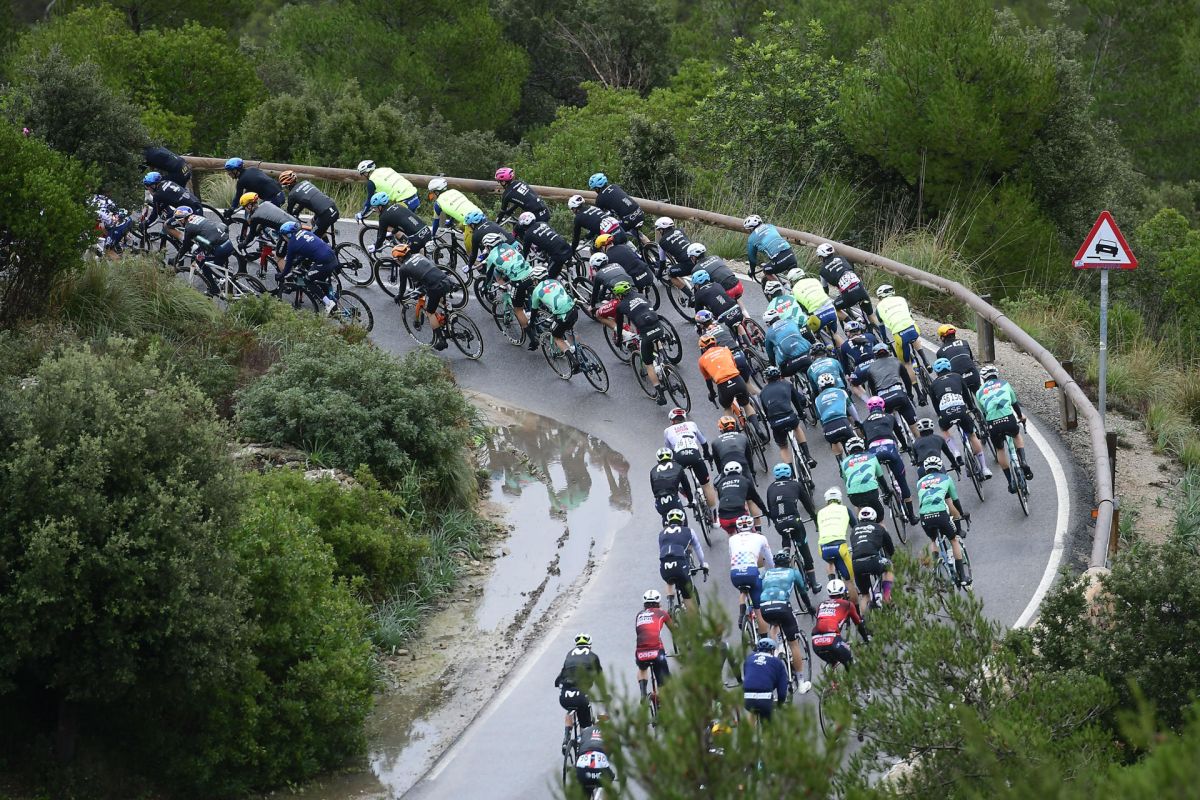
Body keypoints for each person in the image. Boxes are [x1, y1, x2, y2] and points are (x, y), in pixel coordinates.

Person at [859, 396, 919, 525]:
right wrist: (905, 446)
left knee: (877, 475)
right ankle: (912, 516)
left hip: (873, 451)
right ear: (883, 407)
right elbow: (899, 435)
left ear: (869, 409)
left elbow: (865, 443)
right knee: (902, 483)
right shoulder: (889, 417)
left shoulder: (865, 423)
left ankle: (885, 492)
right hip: (889, 449)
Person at [930, 357, 992, 479]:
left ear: (936, 372)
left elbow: (935, 405)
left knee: (944, 430)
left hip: (946, 411)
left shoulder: (933, 384)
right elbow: (967, 395)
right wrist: (972, 408)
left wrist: (941, 415)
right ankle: (985, 468)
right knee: (972, 435)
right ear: (949, 368)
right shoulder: (958, 377)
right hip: (960, 408)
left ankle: (955, 451)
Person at [975, 365, 1033, 493]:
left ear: (983, 379)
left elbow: (984, 412)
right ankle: (1023, 462)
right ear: (996, 375)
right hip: (1008, 419)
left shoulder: (979, 392)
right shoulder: (1005, 384)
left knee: (1000, 449)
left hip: (993, 423)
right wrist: (1020, 417)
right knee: (1017, 436)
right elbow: (1014, 403)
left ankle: (1010, 481)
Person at [759, 553, 814, 689]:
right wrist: (809, 607)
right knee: (794, 644)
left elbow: (762, 588)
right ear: (788, 563)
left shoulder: (767, 573)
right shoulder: (793, 572)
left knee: (774, 624)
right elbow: (802, 592)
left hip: (765, 607)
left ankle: (776, 649)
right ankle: (801, 683)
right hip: (782, 606)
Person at [917, 456, 971, 587]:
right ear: (940, 467)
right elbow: (955, 500)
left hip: (924, 516)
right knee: (953, 540)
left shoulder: (920, 482)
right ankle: (962, 576)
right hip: (940, 514)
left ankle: (936, 569)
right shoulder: (946, 478)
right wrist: (962, 514)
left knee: (933, 540)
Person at [391, 241, 456, 350]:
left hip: (435, 286)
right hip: (445, 280)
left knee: (430, 313)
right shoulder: (418, 255)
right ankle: (451, 313)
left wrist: (399, 296)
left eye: (397, 260)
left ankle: (441, 340)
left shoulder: (403, 268)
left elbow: (402, 288)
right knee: (440, 298)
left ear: (400, 258)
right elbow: (425, 270)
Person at [765, 463, 820, 591]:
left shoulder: (770, 488)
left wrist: (776, 521)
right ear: (790, 474)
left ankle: (786, 552)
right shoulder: (796, 484)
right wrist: (815, 519)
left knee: (785, 536)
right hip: (794, 521)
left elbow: (770, 507)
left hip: (779, 522)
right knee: (804, 548)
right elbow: (808, 504)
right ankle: (815, 584)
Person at [699, 335, 765, 436]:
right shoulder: (725, 350)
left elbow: (708, 380)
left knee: (727, 408)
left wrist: (712, 394)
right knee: (746, 405)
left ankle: (733, 433)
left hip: (723, 385)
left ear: (703, 348)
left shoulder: (702, 360)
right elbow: (734, 366)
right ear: (715, 343)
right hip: (737, 379)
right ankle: (758, 429)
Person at [851, 342, 919, 434]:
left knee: (890, 427)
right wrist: (910, 394)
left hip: (884, 399)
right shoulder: (896, 361)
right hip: (899, 394)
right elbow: (906, 380)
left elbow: (873, 391)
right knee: (914, 425)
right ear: (888, 352)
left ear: (875, 355)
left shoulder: (870, 368)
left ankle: (900, 442)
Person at [759, 365, 818, 469]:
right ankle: (808, 457)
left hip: (775, 422)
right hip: (789, 417)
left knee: (783, 447)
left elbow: (766, 412)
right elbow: (797, 402)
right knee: (797, 428)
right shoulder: (787, 384)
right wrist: (801, 414)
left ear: (766, 379)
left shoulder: (762, 392)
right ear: (780, 375)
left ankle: (790, 470)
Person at [874, 284, 924, 399]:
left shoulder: (879, 307)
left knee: (906, 364)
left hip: (899, 334)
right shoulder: (902, 299)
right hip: (913, 328)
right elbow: (910, 316)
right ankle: (925, 361)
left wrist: (885, 340)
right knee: (915, 337)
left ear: (880, 296)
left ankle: (919, 394)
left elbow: (881, 328)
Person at [811, 579, 869, 676]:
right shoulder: (848, 605)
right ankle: (853, 688)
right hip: (832, 639)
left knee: (832, 660)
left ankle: (832, 683)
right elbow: (858, 624)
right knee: (849, 662)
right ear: (844, 592)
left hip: (815, 642)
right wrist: (866, 640)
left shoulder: (821, 605)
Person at [279, 220, 340, 312]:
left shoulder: (291, 244)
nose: (284, 238)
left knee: (307, 280)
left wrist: (281, 275)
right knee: (320, 278)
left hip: (324, 262)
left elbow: (288, 267)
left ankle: (328, 303)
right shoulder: (305, 232)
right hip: (333, 257)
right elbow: (307, 251)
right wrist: (297, 262)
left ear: (288, 235)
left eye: (283, 236)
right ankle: (331, 300)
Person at [172, 208, 236, 295]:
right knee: (208, 258)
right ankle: (229, 276)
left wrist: (177, 259)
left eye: (178, 221)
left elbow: (185, 246)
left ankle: (214, 288)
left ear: (182, 219)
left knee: (200, 260)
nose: (178, 223)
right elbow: (204, 235)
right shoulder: (197, 217)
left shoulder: (188, 227)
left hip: (220, 248)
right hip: (226, 242)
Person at [664, 407, 718, 511]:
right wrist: (706, 454)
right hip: (695, 455)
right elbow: (703, 442)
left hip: (680, 457)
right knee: (706, 486)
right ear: (684, 418)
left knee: (676, 475)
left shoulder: (667, 431)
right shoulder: (692, 424)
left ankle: (684, 491)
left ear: (672, 420)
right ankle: (714, 516)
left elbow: (668, 451)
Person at [554, 633, 603, 744]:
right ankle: (583, 742)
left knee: (569, 711)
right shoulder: (593, 656)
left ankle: (566, 739)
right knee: (586, 723)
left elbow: (560, 676)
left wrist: (557, 683)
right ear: (589, 645)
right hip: (581, 696)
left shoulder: (569, 654)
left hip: (564, 698)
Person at [486, 240, 536, 347]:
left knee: (518, 309)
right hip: (531, 273)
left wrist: (485, 287)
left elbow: (488, 275)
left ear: (488, 246)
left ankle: (533, 339)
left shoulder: (491, 256)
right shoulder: (508, 245)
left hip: (519, 281)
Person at [528, 264, 580, 368]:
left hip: (562, 315)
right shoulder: (555, 281)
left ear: (536, 279)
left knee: (556, 336)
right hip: (573, 309)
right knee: (570, 329)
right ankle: (579, 349)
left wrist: (531, 324)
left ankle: (574, 361)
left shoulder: (536, 291)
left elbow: (534, 311)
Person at [814, 243, 878, 326]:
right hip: (861, 290)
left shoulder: (822, 271)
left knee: (833, 308)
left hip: (849, 296)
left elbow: (825, 290)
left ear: (821, 257)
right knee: (871, 315)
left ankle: (852, 325)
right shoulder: (842, 258)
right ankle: (883, 336)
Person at [658, 507, 709, 611]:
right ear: (682, 520)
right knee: (688, 596)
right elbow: (698, 548)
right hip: (680, 564)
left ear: (668, 521)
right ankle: (692, 622)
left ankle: (670, 604)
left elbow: (662, 550)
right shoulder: (689, 531)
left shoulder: (661, 534)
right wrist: (703, 564)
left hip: (665, 565)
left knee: (669, 581)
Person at [729, 514, 772, 635]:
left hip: (735, 573)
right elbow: (769, 558)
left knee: (743, 590)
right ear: (752, 526)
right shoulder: (760, 537)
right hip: (752, 572)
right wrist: (774, 569)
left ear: (738, 528)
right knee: (758, 611)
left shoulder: (732, 539)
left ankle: (742, 613)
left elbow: (731, 556)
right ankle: (763, 638)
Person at [816, 487, 859, 605]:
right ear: (839, 499)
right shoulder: (845, 509)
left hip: (823, 548)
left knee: (830, 562)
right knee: (849, 581)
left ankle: (832, 581)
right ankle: (857, 614)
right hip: (839, 546)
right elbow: (855, 527)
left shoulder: (820, 512)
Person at [849, 506, 895, 614]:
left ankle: (864, 623)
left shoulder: (854, 530)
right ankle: (887, 596)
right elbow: (891, 549)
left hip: (856, 564)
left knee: (865, 596)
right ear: (874, 518)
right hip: (873, 560)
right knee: (889, 567)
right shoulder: (879, 528)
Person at [696, 311, 757, 391]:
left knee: (732, 391)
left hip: (727, 362)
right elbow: (734, 339)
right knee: (748, 384)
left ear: (700, 325)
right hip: (739, 355)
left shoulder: (704, 338)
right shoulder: (724, 326)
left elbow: (707, 357)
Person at [634, 589, 674, 701]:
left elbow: (639, 633)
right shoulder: (662, 613)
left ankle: (643, 694)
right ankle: (662, 698)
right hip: (657, 652)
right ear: (659, 603)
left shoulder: (639, 615)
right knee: (664, 679)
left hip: (641, 652)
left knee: (642, 669)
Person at [839, 436, 888, 524]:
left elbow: (846, 482)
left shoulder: (844, 462)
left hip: (854, 496)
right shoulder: (872, 457)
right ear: (863, 448)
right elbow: (880, 477)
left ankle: (861, 524)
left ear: (848, 451)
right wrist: (887, 491)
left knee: (858, 506)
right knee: (880, 522)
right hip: (871, 493)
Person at [280, 171, 340, 239]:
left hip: (325, 214)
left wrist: (294, 214)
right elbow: (303, 202)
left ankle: (327, 249)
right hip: (332, 206)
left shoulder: (292, 195)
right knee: (313, 222)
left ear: (287, 185)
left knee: (312, 238)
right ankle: (325, 242)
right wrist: (296, 212)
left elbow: (289, 212)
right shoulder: (306, 182)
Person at [742, 637, 791, 721]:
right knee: (767, 725)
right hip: (765, 699)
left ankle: (748, 733)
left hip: (748, 699)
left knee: (751, 712)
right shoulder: (777, 662)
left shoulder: (749, 659)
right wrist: (780, 704)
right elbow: (782, 691)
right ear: (772, 650)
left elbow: (747, 677)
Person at [935, 324, 982, 411]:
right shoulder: (964, 342)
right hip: (972, 372)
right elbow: (971, 359)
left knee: (962, 400)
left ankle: (968, 413)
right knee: (979, 395)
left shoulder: (940, 352)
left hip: (958, 376)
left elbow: (944, 370)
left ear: (942, 338)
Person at [689, 243, 746, 313]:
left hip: (727, 291)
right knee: (736, 299)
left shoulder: (696, 269)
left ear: (693, 257)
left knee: (713, 305)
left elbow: (698, 291)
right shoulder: (716, 257)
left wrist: (694, 300)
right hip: (738, 285)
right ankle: (747, 318)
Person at [426, 177, 484, 244]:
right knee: (460, 226)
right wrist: (451, 222)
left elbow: (436, 222)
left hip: (471, 222)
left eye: (432, 193)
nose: (431, 196)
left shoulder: (438, 204)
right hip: (480, 213)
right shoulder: (454, 191)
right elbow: (456, 207)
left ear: (436, 192)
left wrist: (432, 235)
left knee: (470, 253)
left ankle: (474, 240)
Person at [516, 213, 573, 279]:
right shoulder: (542, 223)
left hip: (558, 255)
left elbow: (525, 252)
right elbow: (547, 237)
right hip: (567, 247)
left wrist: (521, 265)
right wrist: (540, 248)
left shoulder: (528, 235)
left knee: (548, 278)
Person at [589, 173, 646, 240]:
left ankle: (626, 250)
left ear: (597, 188)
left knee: (612, 236)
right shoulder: (614, 186)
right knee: (635, 232)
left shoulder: (600, 199)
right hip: (639, 212)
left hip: (628, 219)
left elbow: (599, 216)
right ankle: (650, 245)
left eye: (594, 189)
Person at [763, 307, 814, 380]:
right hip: (807, 356)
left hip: (791, 365)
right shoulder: (791, 322)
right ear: (779, 317)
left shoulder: (769, 333)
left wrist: (773, 365)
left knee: (780, 377)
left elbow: (770, 353)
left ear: (768, 323)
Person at [355, 160, 419, 217]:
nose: (362, 176)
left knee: (387, 221)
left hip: (404, 201)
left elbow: (369, 200)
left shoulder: (371, 182)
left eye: (362, 174)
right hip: (414, 195)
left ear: (366, 172)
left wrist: (362, 214)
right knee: (408, 225)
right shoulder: (386, 169)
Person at [691, 270, 745, 337]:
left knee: (715, 331)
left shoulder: (698, 294)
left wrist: (699, 326)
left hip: (723, 317)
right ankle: (747, 342)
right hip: (737, 309)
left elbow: (699, 313)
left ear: (697, 284)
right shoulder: (717, 284)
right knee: (737, 322)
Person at [744, 215, 797, 283]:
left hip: (779, 260)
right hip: (791, 254)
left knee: (766, 270)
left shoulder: (751, 238)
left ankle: (779, 290)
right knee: (795, 276)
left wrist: (752, 271)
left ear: (750, 229)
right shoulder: (770, 226)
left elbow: (752, 259)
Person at [714, 463, 764, 533]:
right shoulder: (745, 480)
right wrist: (766, 511)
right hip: (740, 515)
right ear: (740, 472)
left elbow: (720, 498)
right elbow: (756, 498)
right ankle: (756, 533)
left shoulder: (720, 483)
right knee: (751, 530)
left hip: (724, 518)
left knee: (731, 536)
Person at [813, 372, 855, 456]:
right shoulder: (841, 392)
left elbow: (820, 417)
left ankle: (840, 462)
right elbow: (852, 409)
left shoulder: (817, 399)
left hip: (828, 429)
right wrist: (858, 422)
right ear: (834, 383)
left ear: (820, 387)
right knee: (855, 443)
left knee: (834, 443)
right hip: (843, 423)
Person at [650, 448, 692, 523]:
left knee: (666, 518)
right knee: (682, 520)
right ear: (671, 457)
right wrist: (691, 500)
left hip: (659, 502)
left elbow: (654, 490)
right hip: (673, 500)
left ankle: (666, 530)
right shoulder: (678, 467)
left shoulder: (652, 471)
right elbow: (686, 486)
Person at [574, 718, 614, 796]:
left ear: (595, 723)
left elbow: (577, 741)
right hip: (600, 771)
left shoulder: (586, 730)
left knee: (584, 787)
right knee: (610, 779)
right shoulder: (611, 734)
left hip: (582, 769)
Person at [654, 217, 693, 293]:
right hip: (697, 257)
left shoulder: (662, 242)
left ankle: (690, 295)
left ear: (662, 229)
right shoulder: (680, 231)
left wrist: (659, 274)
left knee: (670, 273)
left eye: (659, 230)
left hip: (688, 264)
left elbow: (662, 261)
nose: (659, 232)